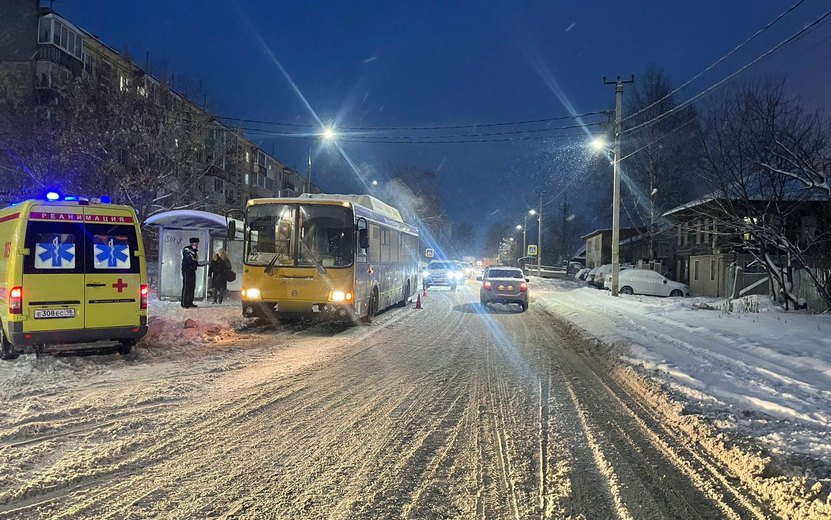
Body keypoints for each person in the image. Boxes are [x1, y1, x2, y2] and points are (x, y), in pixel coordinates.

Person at [181, 237, 202, 308]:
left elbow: (195, 261)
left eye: (197, 244)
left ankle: (190, 302)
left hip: (192, 270)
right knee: (186, 286)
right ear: (192, 244)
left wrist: (200, 264)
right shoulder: (186, 249)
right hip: (186, 270)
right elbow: (189, 259)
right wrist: (195, 264)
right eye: (195, 244)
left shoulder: (195, 251)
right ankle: (184, 303)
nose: (197, 245)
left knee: (192, 286)